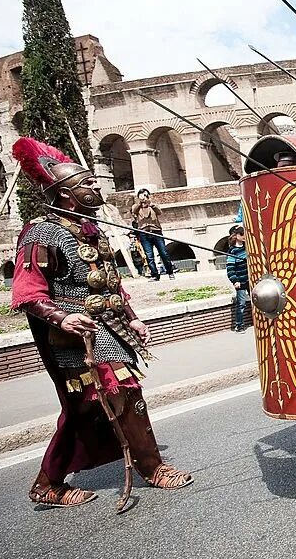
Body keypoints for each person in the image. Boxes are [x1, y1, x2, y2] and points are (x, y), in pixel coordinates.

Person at [10, 136, 193, 508]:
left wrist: (133, 319)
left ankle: (61, 479)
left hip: (110, 329)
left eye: (94, 180)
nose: (96, 186)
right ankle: (147, 468)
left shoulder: (90, 230)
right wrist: (62, 317)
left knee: (104, 403)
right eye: (86, 183)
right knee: (95, 403)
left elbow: (112, 285)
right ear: (64, 195)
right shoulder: (41, 233)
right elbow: (27, 293)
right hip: (77, 338)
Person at [131, 188, 175, 281]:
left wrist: (150, 203)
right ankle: (155, 275)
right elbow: (133, 211)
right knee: (149, 256)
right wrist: (140, 202)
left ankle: (170, 272)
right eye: (142, 195)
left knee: (163, 253)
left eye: (146, 195)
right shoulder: (137, 207)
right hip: (144, 233)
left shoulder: (153, 206)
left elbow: (159, 212)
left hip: (156, 232)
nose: (144, 197)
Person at [225, 224, 250, 332]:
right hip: (240, 281)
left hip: (250, 280)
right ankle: (239, 325)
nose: (244, 236)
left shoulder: (248, 247)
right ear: (236, 236)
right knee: (241, 304)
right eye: (241, 234)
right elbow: (230, 268)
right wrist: (235, 281)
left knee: (257, 300)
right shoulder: (232, 251)